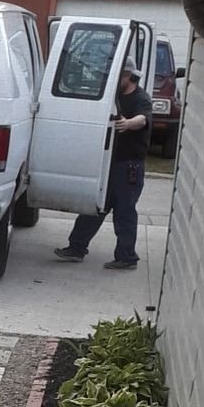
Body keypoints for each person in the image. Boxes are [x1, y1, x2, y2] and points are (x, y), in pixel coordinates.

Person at [54, 61, 152, 270]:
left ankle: (127, 257)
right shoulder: (113, 97)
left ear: (129, 76)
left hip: (129, 167)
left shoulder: (141, 98)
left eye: (119, 76)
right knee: (95, 207)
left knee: (125, 212)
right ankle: (76, 248)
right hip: (109, 164)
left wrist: (128, 123)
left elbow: (143, 120)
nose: (115, 80)